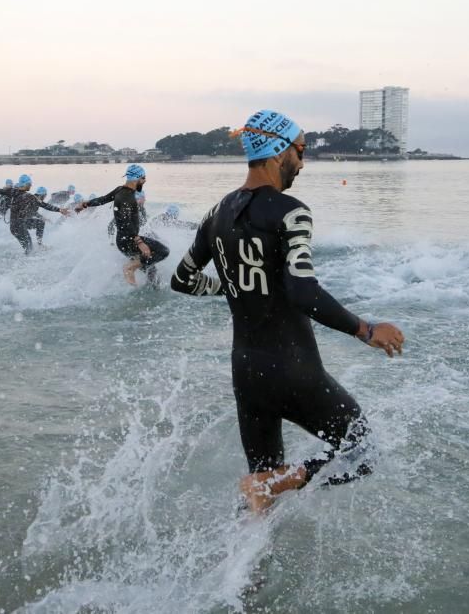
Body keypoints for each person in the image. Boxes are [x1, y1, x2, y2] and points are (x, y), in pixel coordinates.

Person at [169, 110, 405, 514]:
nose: (303, 160)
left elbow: (183, 279)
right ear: (278, 152)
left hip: (246, 372)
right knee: (362, 448)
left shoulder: (216, 214)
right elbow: (302, 291)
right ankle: (285, 481)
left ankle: (244, 573)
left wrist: (231, 284)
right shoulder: (291, 211)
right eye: (301, 149)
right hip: (292, 368)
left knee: (260, 501)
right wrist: (365, 329)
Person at [77, 164, 169, 286]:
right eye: (143, 177)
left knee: (151, 270)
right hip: (129, 241)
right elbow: (125, 222)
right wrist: (140, 242)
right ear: (137, 178)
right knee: (163, 251)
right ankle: (130, 268)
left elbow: (103, 199)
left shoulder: (120, 190)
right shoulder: (127, 197)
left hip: (123, 241)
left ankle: (146, 290)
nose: (145, 180)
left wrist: (85, 204)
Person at [8, 184, 68, 254]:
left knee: (40, 223)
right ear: (43, 195)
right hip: (18, 225)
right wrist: (59, 210)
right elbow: (45, 206)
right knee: (29, 247)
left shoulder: (32, 198)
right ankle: (37, 247)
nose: (45, 197)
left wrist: (42, 217)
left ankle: (39, 244)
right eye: (45, 195)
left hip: (19, 223)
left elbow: (31, 211)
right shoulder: (33, 199)